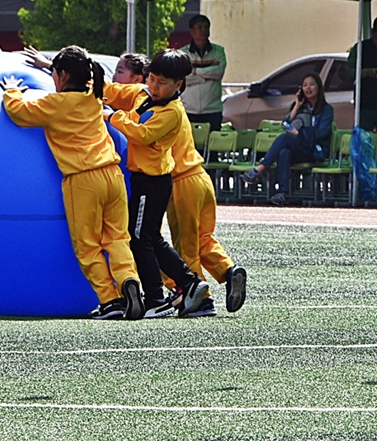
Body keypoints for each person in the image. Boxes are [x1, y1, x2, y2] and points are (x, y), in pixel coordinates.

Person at [0, 46, 144, 320]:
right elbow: (80, 75)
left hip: (83, 179)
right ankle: (129, 282)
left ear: (63, 75)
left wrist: (11, 90)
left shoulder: (54, 104)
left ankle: (110, 300)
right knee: (117, 238)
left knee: (87, 245)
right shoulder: (94, 93)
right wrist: (48, 64)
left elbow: (19, 112)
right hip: (113, 174)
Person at [103, 49, 211, 319]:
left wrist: (111, 117)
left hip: (152, 182)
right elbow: (113, 91)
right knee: (149, 236)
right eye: (151, 79)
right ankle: (189, 283)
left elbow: (142, 134)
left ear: (179, 85)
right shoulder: (142, 94)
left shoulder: (172, 112)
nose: (154, 86)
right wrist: (88, 83)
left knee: (139, 237)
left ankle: (156, 297)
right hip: (147, 180)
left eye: (162, 83)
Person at [165, 72, 248, 318]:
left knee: (185, 247)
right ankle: (228, 270)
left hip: (182, 183)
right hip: (200, 176)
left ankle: (201, 300)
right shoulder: (176, 105)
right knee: (203, 237)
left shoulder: (157, 108)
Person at [241, 73, 334, 206]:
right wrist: (297, 105)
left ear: (319, 87)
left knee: (285, 138)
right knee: (284, 151)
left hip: (315, 150)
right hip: (300, 148)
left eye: (312, 84)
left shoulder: (327, 110)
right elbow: (285, 124)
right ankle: (282, 193)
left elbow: (322, 133)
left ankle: (260, 169)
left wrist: (299, 133)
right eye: (305, 85)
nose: (308, 88)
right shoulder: (300, 107)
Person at [179, 15, 227, 130]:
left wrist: (195, 71)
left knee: (213, 145)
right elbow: (183, 77)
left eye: (206, 27)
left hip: (212, 109)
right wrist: (207, 76)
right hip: (189, 109)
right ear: (192, 31)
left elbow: (219, 73)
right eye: (199, 27)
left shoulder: (218, 51)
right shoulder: (183, 53)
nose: (203, 30)